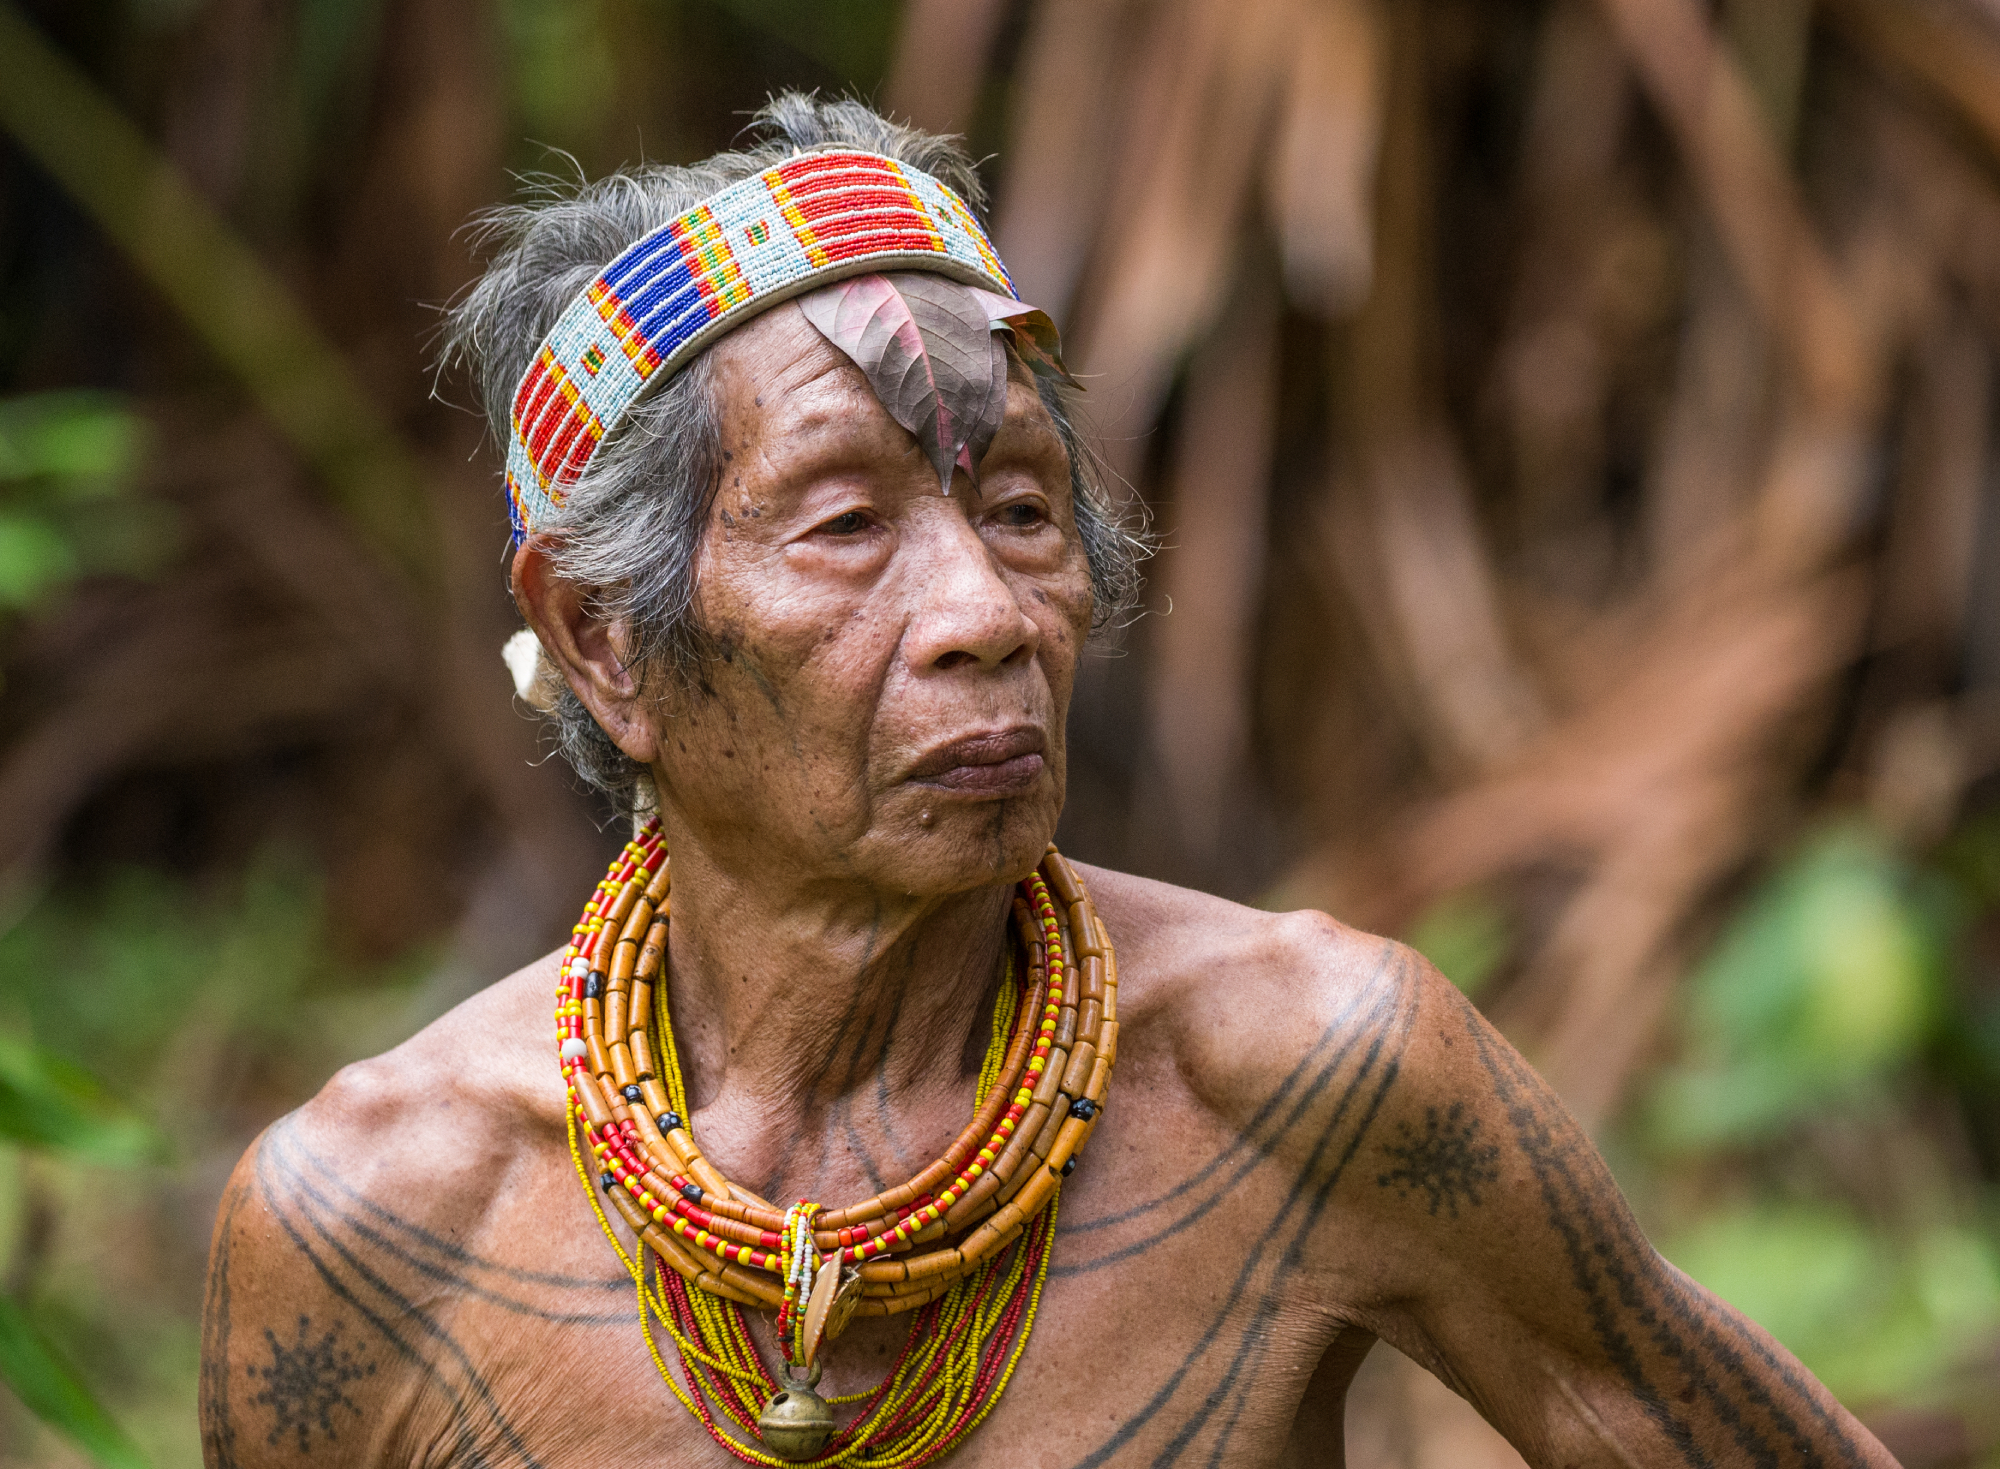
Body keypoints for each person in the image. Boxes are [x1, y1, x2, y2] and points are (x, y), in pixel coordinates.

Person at [199, 94, 1899, 1469]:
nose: (984, 612)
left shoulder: (1310, 1076)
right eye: (848, 524)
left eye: (1018, 508)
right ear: (605, 644)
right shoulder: (370, 1230)